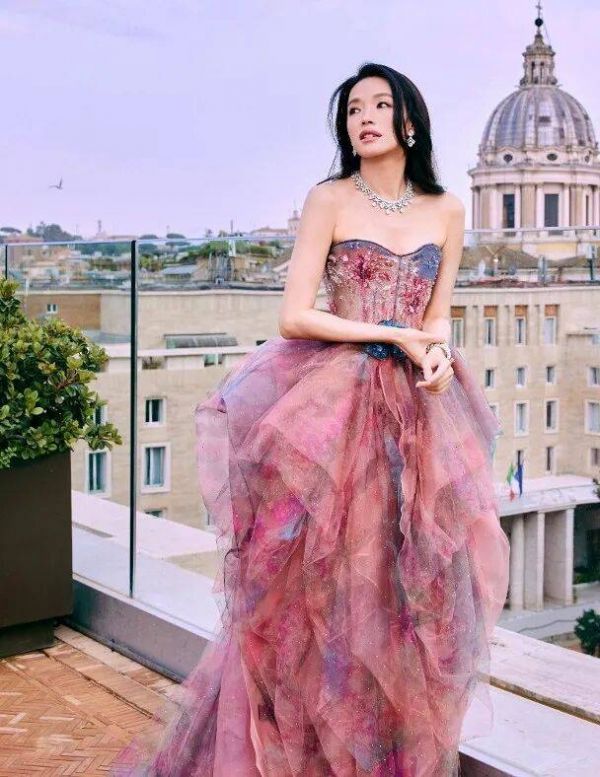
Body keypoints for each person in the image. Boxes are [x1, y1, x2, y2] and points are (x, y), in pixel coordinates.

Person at [112, 62, 510, 777]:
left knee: (408, 585)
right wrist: (391, 336)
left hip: (419, 412)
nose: (366, 117)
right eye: (354, 109)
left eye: (380, 105)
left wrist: (436, 357)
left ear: (409, 122)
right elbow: (294, 314)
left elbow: (438, 315)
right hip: (337, 402)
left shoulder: (447, 210)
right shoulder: (329, 199)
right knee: (324, 587)